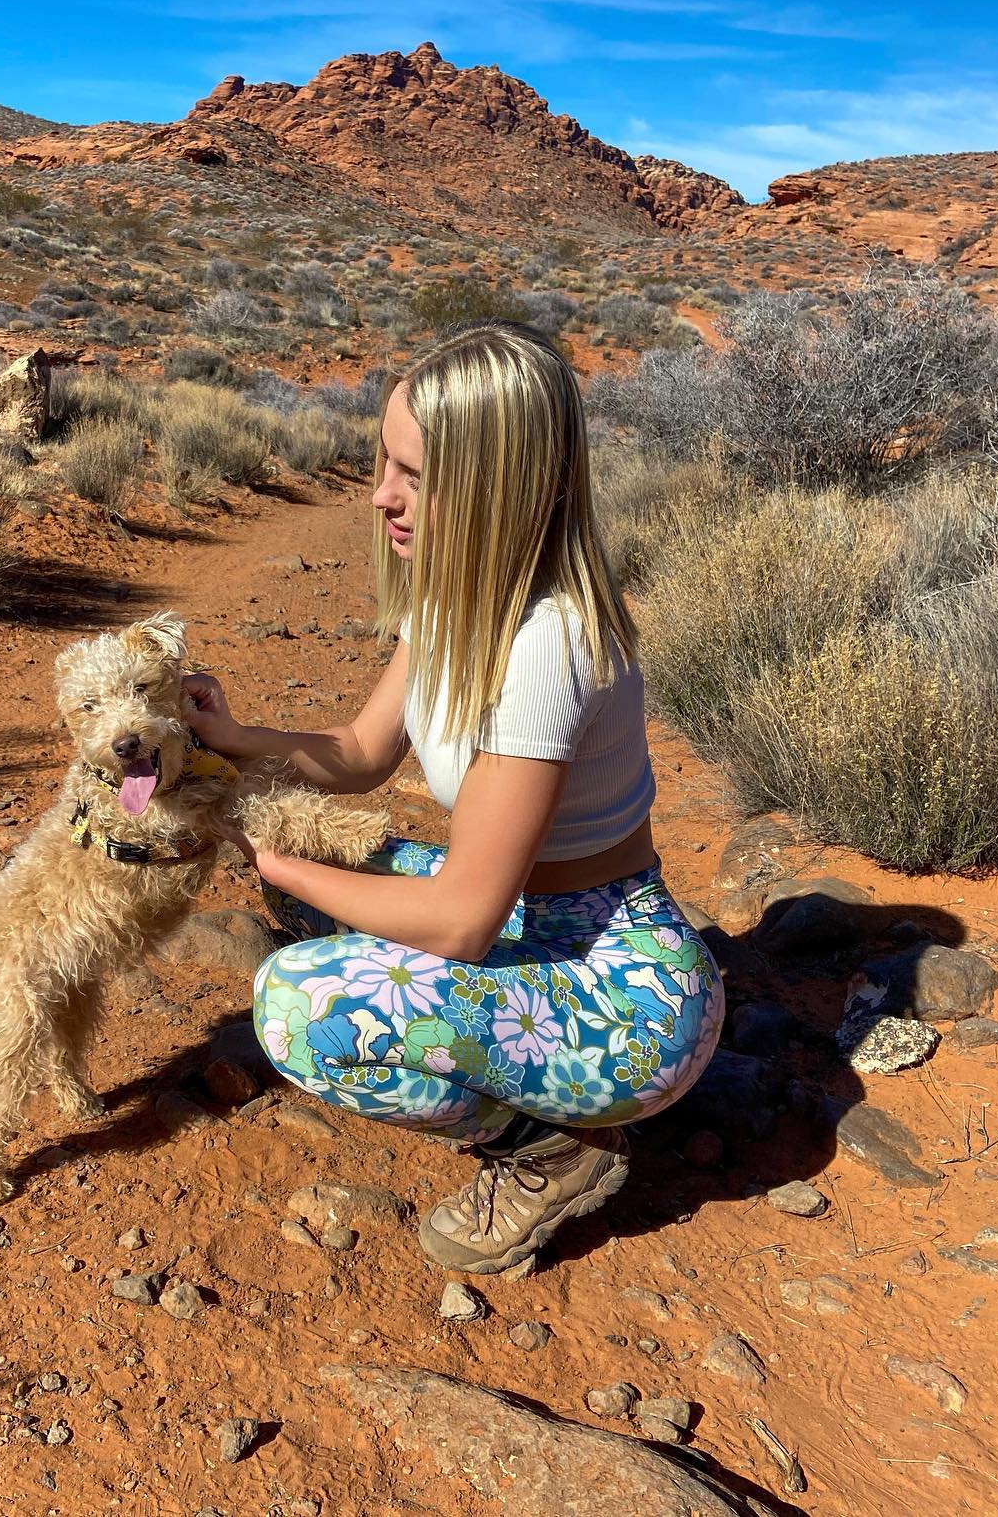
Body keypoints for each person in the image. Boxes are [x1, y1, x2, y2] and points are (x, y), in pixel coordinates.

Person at [183, 321, 724, 1275]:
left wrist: (267, 851)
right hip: (530, 918)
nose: (382, 497)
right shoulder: (454, 595)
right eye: (382, 463)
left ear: (496, 489)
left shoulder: (547, 643)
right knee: (320, 878)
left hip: (623, 986)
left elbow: (464, 920)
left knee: (295, 1007)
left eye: (414, 476)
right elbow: (359, 754)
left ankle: (547, 1150)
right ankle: (531, 1089)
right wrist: (238, 744)